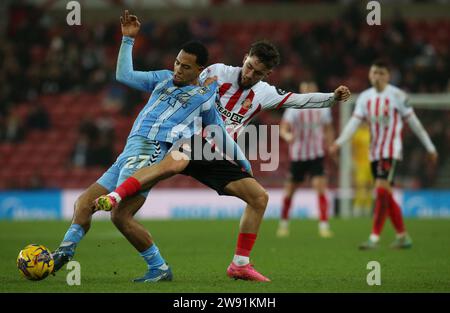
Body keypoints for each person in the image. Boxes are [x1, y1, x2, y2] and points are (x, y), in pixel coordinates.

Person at [94, 15, 351, 282]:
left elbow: (299, 100)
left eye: (258, 73)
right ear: (245, 57)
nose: (250, 75)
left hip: (216, 153)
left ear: (267, 74)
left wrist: (331, 98)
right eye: (250, 66)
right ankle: (117, 196)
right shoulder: (215, 72)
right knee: (176, 161)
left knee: (259, 198)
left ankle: (240, 263)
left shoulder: (264, 93)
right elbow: (182, 84)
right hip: (186, 137)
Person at [51, 10, 251, 283]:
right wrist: (127, 40)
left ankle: (159, 268)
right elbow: (124, 75)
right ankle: (62, 253)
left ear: (199, 70)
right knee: (84, 203)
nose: (178, 69)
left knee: (120, 215)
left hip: (153, 149)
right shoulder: (163, 78)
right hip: (128, 151)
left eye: (186, 67)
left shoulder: (205, 97)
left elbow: (217, 131)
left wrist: (242, 160)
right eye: (177, 63)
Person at [329, 59, 438, 250]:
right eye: (374, 73)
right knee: (384, 192)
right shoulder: (364, 97)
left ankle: (374, 237)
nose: (377, 76)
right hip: (374, 153)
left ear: (387, 76)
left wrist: (430, 148)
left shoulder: (397, 95)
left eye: (381, 73)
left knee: (380, 190)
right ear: (370, 75)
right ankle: (403, 236)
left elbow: (415, 124)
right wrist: (338, 143)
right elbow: (353, 124)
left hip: (390, 151)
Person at [276, 81, 335, 239]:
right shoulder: (294, 108)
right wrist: (288, 136)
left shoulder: (323, 108)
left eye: (310, 88)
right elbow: (283, 128)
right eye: (305, 88)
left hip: (316, 154)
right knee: (290, 190)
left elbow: (328, 129)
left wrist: (331, 145)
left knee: (320, 187)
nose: (308, 91)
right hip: (298, 155)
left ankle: (324, 225)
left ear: (315, 90)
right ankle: (283, 224)